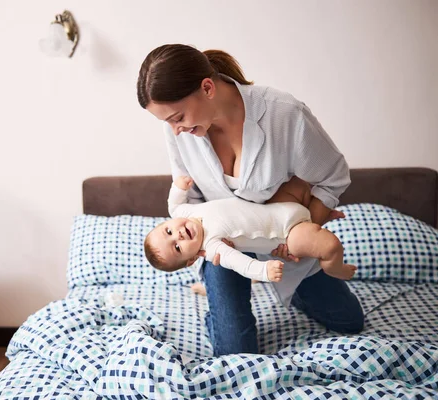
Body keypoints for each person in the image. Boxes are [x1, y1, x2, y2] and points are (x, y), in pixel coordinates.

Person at [136, 44, 364, 355]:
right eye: (168, 123)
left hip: (281, 234)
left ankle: (290, 290)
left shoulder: (284, 114)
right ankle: (217, 304)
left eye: (178, 117)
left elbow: (332, 177)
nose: (176, 131)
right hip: (222, 248)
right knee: (234, 351)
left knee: (349, 321)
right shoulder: (179, 131)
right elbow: (187, 200)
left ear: (207, 88)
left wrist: (301, 232)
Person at [144, 175, 357, 282]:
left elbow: (173, 205)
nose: (178, 235)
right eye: (178, 248)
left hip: (278, 206)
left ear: (167, 223)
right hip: (287, 233)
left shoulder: (184, 213)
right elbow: (239, 263)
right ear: (191, 260)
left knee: (296, 183)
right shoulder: (212, 248)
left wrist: (179, 187)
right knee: (329, 245)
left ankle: (316, 215)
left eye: (169, 232)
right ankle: (334, 268)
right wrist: (262, 271)